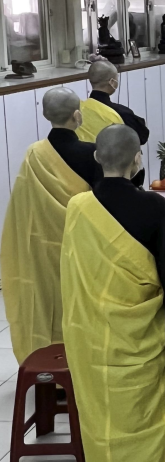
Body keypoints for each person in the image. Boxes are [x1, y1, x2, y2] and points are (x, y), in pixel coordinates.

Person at [60, 125, 165, 462]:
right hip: (140, 331)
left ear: (97, 158)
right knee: (141, 404)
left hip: (92, 331)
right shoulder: (151, 206)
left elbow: (72, 270)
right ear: (138, 158)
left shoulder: (79, 207)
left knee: (103, 407)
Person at [0, 87, 100, 363]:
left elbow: (23, 209)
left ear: (45, 114)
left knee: (47, 304)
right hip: (82, 246)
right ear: (77, 115)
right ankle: (83, 362)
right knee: (81, 304)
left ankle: (48, 363)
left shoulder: (34, 155)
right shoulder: (91, 154)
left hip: (43, 248)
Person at [81, 60, 149, 185]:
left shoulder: (79, 110)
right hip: (119, 177)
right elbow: (142, 137)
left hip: (86, 174)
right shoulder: (121, 113)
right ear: (112, 82)